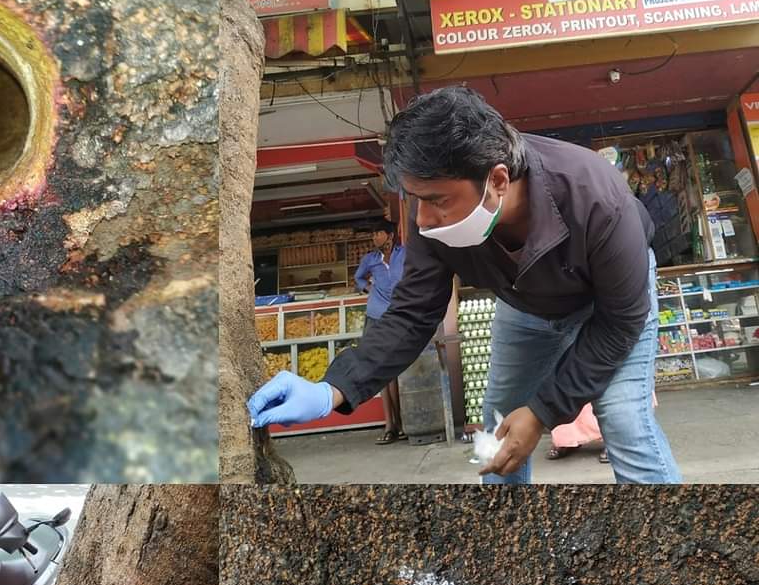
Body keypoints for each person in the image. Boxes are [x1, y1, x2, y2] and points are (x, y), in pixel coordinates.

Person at [247, 86, 681, 484]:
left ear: (496, 180)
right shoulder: (431, 224)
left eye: (437, 200)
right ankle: (505, 546)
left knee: (624, 420)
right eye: (415, 200)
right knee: (497, 429)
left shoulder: (596, 198)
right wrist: (331, 389)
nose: (421, 219)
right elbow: (411, 314)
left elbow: (620, 322)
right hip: (527, 306)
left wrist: (543, 411)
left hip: (611, 308)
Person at [352, 220, 406, 444]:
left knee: (398, 370)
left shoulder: (405, 254)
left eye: (378, 234)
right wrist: (369, 288)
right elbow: (358, 278)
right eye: (373, 234)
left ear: (390, 235)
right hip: (376, 317)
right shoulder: (370, 260)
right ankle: (390, 425)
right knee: (382, 371)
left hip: (400, 315)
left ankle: (402, 423)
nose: (374, 238)